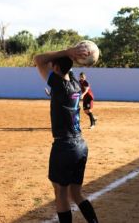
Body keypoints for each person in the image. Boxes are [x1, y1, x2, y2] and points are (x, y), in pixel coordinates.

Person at [34, 46, 99, 223]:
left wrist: (68, 52)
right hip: (80, 145)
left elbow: (39, 59)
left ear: (55, 69)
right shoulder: (75, 84)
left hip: (64, 146)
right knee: (76, 193)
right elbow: (58, 66)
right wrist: (69, 57)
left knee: (60, 192)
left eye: (52, 66)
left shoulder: (58, 84)